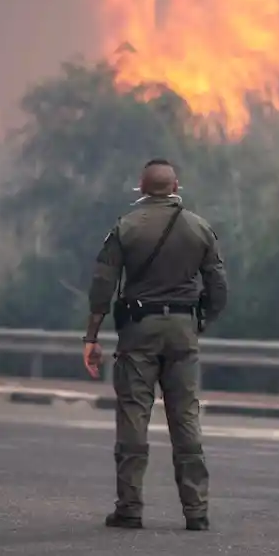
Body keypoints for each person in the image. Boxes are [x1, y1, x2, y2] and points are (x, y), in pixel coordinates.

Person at [82, 158, 228, 531]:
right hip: (182, 329)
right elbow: (218, 286)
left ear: (142, 188)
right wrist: (201, 320)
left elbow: (102, 285)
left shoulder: (126, 227)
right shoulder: (199, 228)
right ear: (175, 187)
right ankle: (196, 511)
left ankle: (129, 508)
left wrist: (92, 336)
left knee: (134, 414)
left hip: (139, 330)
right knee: (185, 416)